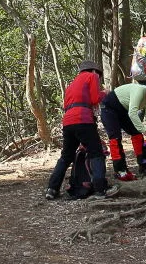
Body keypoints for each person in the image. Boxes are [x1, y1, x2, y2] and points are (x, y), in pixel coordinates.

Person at [46, 60, 109, 200]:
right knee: (96, 153)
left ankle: (52, 188)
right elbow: (94, 99)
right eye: (98, 73)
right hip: (84, 119)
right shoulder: (92, 77)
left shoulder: (72, 84)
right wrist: (104, 93)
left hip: (68, 121)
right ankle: (100, 189)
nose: (98, 76)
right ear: (93, 71)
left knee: (66, 156)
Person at [100, 80, 146, 181]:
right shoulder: (139, 90)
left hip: (123, 110)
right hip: (109, 108)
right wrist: (144, 130)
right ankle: (120, 170)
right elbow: (132, 113)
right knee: (115, 137)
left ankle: (143, 163)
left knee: (137, 134)